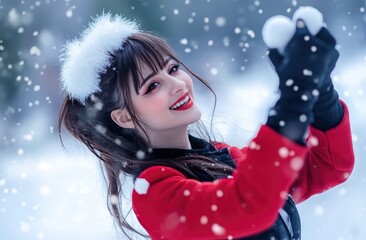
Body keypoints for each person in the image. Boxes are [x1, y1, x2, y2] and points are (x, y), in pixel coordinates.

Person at [58, 13, 355, 240]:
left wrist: (320, 94)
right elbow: (250, 202)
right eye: (153, 86)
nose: (177, 84)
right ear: (123, 117)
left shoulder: (225, 159)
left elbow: (329, 166)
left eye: (172, 68)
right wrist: (293, 99)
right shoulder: (154, 196)